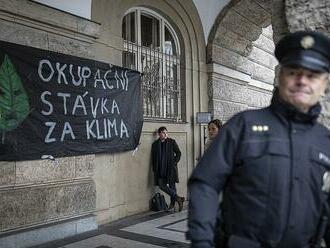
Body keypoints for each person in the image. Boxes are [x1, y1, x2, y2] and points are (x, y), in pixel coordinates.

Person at [187, 31, 330, 248]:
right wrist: (201, 242)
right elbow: (205, 184)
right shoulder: (242, 126)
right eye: (293, 72)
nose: (302, 80)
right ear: (280, 76)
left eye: (312, 75)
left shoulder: (325, 141)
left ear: (325, 83)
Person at [151, 126, 185, 211]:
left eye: (166, 133)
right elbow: (153, 158)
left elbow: (178, 153)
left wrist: (174, 162)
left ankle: (173, 204)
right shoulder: (155, 144)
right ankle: (178, 198)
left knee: (172, 186)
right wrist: (155, 169)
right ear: (159, 134)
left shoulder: (172, 142)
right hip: (161, 169)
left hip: (170, 168)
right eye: (163, 133)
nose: (166, 134)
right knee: (162, 185)